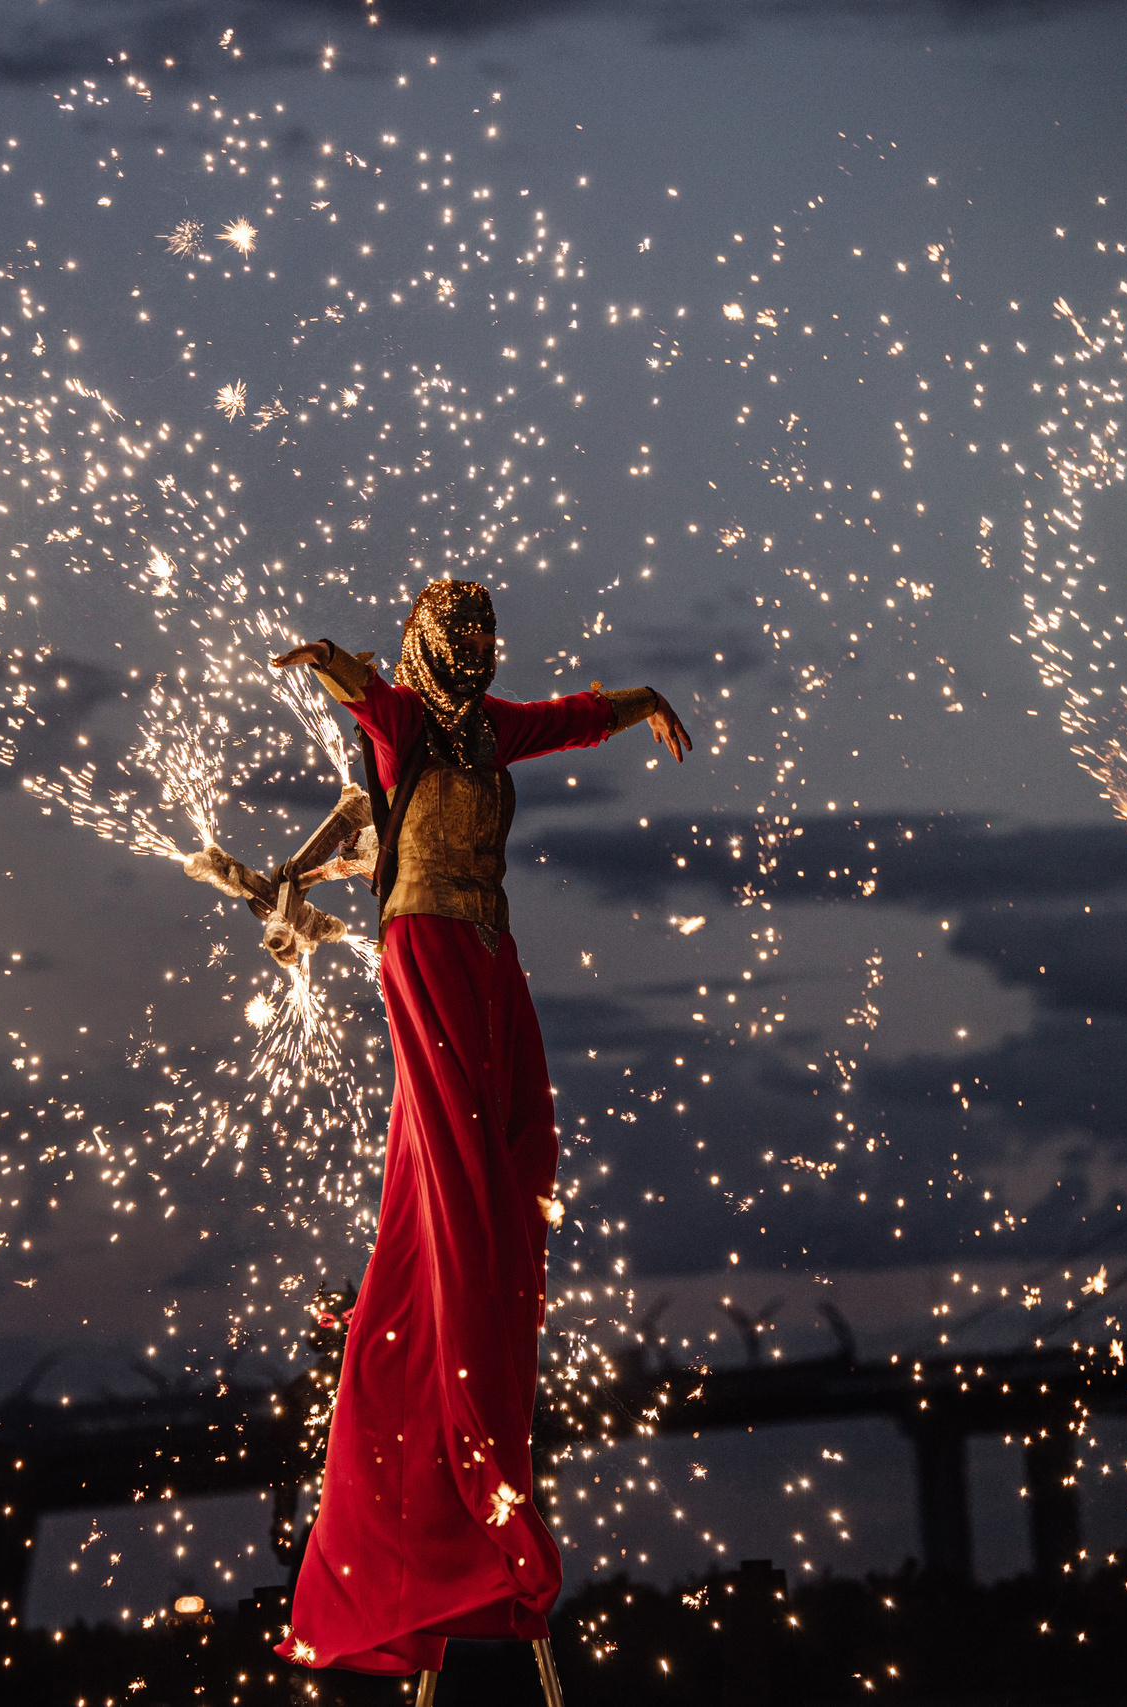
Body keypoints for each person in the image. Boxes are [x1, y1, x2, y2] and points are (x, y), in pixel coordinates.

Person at [266, 581, 688, 1686]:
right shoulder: (407, 719)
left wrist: (643, 700)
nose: (476, 651)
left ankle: (480, 1297)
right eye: (460, 638)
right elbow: (369, 696)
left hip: (493, 954)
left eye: (483, 637)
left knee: (517, 1154)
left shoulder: (491, 728)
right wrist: (329, 660)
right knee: (454, 1180)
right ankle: (455, 1405)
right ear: (427, 644)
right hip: (426, 948)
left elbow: (568, 717)